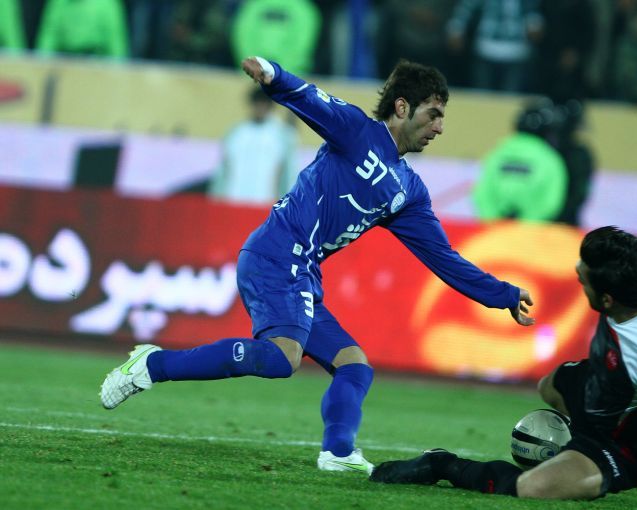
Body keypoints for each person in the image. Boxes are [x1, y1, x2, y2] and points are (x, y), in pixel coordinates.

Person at [100, 56, 535, 474]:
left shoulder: (409, 190)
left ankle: (338, 452)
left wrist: (502, 294)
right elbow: (311, 99)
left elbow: (443, 258)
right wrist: (273, 75)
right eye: (434, 114)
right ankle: (153, 366)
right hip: (276, 254)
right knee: (281, 359)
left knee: (354, 366)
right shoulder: (357, 132)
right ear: (402, 107)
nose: (439, 128)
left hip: (302, 271)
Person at [371, 127, 637, 510]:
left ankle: (441, 463)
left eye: (584, 279)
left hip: (619, 442)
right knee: (551, 385)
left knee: (532, 488)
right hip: (597, 384)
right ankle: (565, 450)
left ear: (607, 299)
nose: (578, 276)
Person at [472, 98, 568, 222]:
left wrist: (493, 220)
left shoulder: (497, 154)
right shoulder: (551, 160)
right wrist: (528, 222)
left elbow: (482, 193)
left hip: (495, 229)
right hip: (532, 231)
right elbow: (551, 201)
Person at [208, 86, 299, 204]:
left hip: (265, 204)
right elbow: (223, 170)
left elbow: (288, 174)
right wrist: (216, 199)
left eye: (264, 104)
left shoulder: (282, 136)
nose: (260, 107)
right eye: (257, 103)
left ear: (270, 106)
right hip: (233, 201)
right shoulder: (236, 133)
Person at [35, 0, 129, 58]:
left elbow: (116, 44)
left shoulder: (108, 3)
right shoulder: (58, 2)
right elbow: (48, 36)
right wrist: (41, 64)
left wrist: (117, 75)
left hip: (96, 64)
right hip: (65, 61)